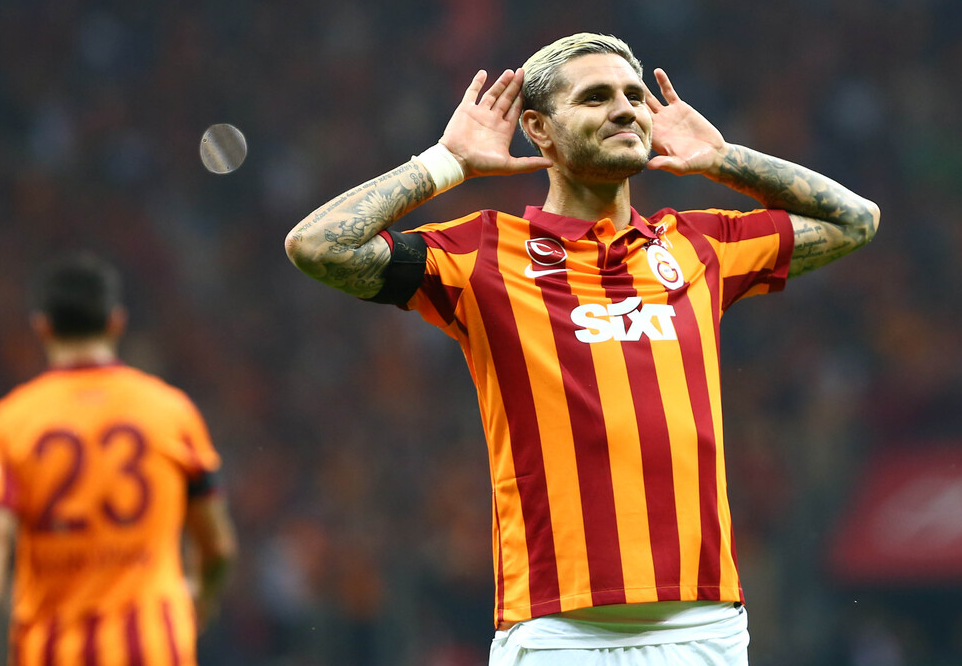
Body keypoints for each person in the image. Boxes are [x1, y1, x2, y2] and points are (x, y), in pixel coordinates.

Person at [285, 33, 879, 664]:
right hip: (558, 630)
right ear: (538, 130)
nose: (624, 109)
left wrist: (724, 159)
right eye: (595, 97)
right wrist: (445, 163)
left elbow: (857, 220)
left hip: (703, 625)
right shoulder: (483, 253)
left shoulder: (697, 246)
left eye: (634, 96)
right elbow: (319, 246)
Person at [0, 253, 238, 666]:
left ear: (43, 327)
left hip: (51, 651)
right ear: (116, 322)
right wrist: (202, 599)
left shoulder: (11, 422)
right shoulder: (171, 412)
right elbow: (217, 545)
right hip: (154, 646)